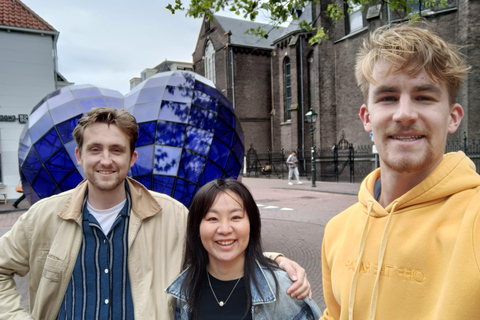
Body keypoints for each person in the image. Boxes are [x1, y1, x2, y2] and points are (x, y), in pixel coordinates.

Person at [0, 107, 311, 320]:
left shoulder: (171, 214)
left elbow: (219, 245)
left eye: (116, 150)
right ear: (79, 155)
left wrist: (278, 261)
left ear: (132, 157)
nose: (105, 160)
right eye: (95, 149)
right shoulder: (42, 217)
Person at [320, 23, 480, 319]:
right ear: (367, 118)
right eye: (388, 97)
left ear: (453, 117)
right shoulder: (337, 230)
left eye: (424, 97)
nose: (404, 113)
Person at [166, 179, 321, 319]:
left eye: (236, 217)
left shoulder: (284, 289)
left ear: (251, 225)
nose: (225, 229)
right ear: (197, 229)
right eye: (212, 219)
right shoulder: (185, 290)